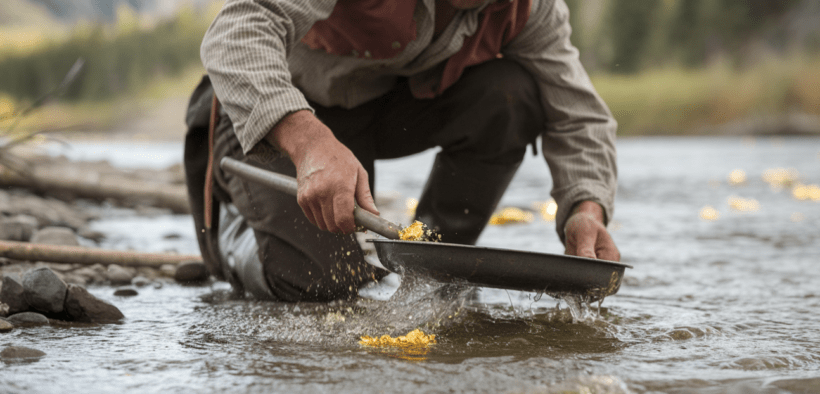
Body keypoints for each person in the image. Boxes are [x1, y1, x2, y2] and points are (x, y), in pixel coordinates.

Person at [184, 0, 620, 302]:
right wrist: (311, 142)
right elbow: (232, 37)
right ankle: (237, 231)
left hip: (378, 113)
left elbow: (579, 115)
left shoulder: (531, 8)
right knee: (319, 284)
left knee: (511, 93)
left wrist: (587, 209)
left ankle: (431, 260)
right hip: (266, 117)